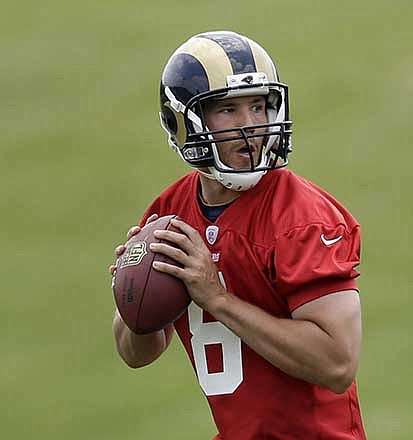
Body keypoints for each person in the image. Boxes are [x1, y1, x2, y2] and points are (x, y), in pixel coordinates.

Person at [109, 31, 366, 439]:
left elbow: (336, 364)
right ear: (183, 121)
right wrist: (134, 290)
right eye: (227, 110)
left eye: (259, 106)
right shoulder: (169, 212)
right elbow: (136, 353)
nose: (250, 126)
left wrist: (218, 300)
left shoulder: (303, 218)